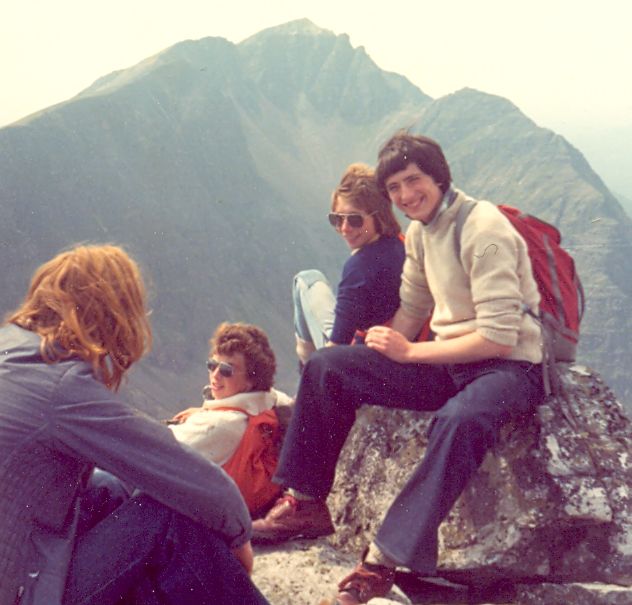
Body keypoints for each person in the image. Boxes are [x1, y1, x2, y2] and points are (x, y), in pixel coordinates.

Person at [253, 133, 545, 605]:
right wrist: (374, 352)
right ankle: (306, 502)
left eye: (414, 181)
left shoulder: (482, 227)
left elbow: (498, 336)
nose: (407, 196)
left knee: (460, 419)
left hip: (508, 369)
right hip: (450, 360)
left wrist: (407, 353)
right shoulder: (422, 234)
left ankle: (384, 558)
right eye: (395, 189)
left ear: (439, 176)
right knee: (329, 366)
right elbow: (410, 310)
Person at [0, 244, 269, 605]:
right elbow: (188, 476)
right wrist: (240, 539)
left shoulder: (13, 349)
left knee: (111, 489)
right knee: (162, 518)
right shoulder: (61, 388)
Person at [168, 322, 293, 514]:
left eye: (227, 370)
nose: (215, 376)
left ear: (252, 379)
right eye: (212, 365)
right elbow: (282, 399)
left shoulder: (219, 425)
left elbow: (152, 449)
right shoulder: (271, 401)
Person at [292, 163, 405, 365]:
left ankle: (305, 371)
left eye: (355, 220)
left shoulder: (358, 268)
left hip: (359, 359)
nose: (344, 229)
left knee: (306, 280)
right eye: (337, 219)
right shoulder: (400, 243)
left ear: (377, 216)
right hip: (387, 349)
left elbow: (337, 345)